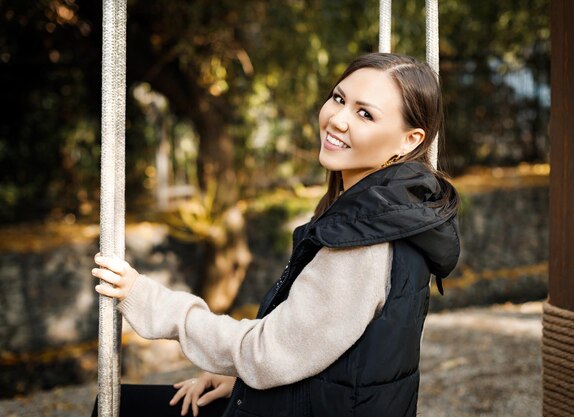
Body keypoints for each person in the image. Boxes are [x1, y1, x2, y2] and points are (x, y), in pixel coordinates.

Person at [91, 52, 460, 417]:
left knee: (117, 409)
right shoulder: (393, 213)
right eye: (338, 99)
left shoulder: (362, 240)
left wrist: (149, 300)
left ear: (409, 140)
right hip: (316, 403)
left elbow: (265, 353)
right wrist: (241, 382)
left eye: (365, 114)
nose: (338, 120)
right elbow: (329, 353)